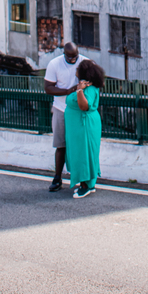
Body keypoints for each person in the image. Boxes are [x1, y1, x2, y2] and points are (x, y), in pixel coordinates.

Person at [43, 42, 86, 191]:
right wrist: (67, 91)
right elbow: (48, 88)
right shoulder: (54, 64)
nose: (73, 60)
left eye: (75, 57)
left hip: (78, 110)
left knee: (79, 146)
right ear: (64, 55)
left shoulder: (84, 62)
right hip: (61, 109)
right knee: (61, 145)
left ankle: (81, 179)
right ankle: (57, 178)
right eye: (70, 57)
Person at [64, 60, 105, 198]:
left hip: (84, 126)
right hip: (77, 127)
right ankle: (88, 184)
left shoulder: (90, 89)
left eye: (78, 69)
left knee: (84, 153)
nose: (76, 71)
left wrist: (80, 90)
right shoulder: (84, 86)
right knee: (80, 152)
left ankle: (86, 185)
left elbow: (84, 106)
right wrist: (79, 87)